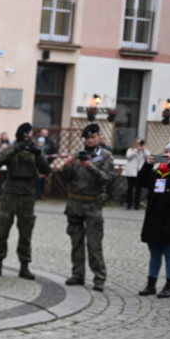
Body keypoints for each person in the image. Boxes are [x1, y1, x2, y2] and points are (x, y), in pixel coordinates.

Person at [0, 122, 50, 280]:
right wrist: (12, 150)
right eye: (24, 136)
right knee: (2, 229)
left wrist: (37, 153)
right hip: (10, 193)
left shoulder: (35, 152)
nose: (26, 140)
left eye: (28, 136)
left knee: (26, 230)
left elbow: (46, 170)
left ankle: (24, 265)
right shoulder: (11, 149)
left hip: (27, 194)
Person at [57, 123, 114, 291]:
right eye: (87, 138)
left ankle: (99, 277)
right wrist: (66, 166)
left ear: (98, 137)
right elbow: (66, 179)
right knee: (76, 242)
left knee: (94, 244)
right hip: (74, 204)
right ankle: (77, 274)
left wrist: (91, 167)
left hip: (93, 205)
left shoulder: (105, 156)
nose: (89, 141)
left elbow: (107, 179)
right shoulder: (76, 156)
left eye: (92, 138)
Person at [134, 146, 170, 298]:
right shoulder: (157, 172)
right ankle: (151, 284)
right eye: (166, 152)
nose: (167, 155)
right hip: (154, 217)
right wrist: (148, 164)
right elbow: (140, 182)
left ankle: (169, 286)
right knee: (155, 252)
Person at [123, 138, 150, 210]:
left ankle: (136, 205)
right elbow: (128, 157)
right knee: (130, 188)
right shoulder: (130, 150)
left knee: (138, 189)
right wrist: (136, 150)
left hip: (139, 172)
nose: (139, 144)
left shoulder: (143, 152)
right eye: (138, 143)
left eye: (140, 143)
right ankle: (129, 204)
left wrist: (144, 149)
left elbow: (149, 157)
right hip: (131, 172)